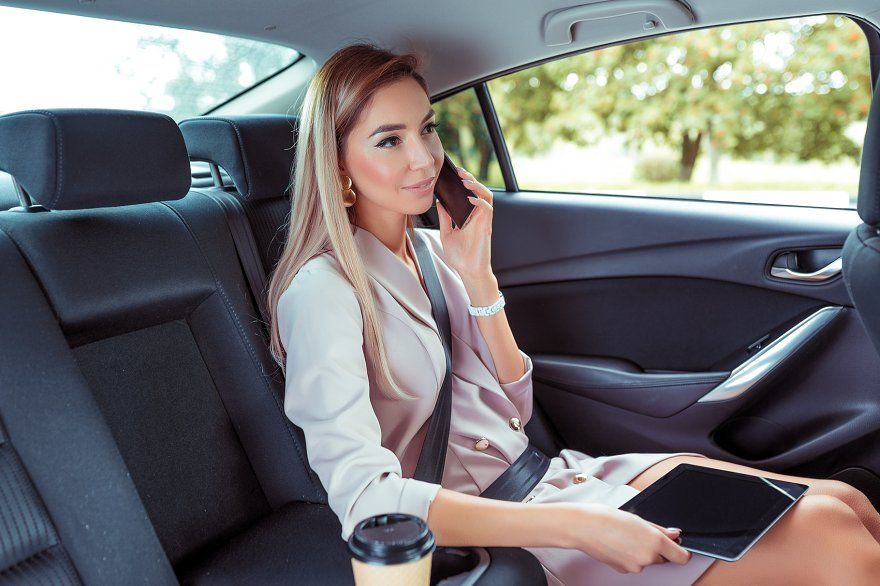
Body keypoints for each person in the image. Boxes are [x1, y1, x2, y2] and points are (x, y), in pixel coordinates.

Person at [266, 42, 880, 585]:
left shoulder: (431, 250)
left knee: (845, 501)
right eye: (389, 140)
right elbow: (367, 504)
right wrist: (580, 529)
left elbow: (516, 407)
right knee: (834, 540)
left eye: (428, 130)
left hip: (554, 477)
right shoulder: (322, 293)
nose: (425, 159)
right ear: (338, 163)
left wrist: (477, 277)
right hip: (496, 529)